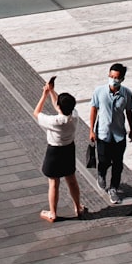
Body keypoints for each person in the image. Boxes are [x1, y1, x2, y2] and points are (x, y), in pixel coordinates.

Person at [34, 79, 86, 222]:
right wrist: (51, 91)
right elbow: (59, 104)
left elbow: (36, 112)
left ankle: (53, 213)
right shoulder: (74, 116)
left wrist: (45, 94)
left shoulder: (54, 121)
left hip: (54, 152)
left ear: (59, 107)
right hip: (69, 149)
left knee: (53, 183)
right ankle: (78, 207)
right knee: (72, 180)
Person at [89, 63, 132, 205]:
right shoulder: (99, 91)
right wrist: (91, 129)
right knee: (103, 160)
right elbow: (94, 109)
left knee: (118, 164)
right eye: (111, 76)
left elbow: (128, 112)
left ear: (122, 79)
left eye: (116, 77)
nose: (113, 80)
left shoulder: (126, 93)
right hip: (103, 134)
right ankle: (101, 174)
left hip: (119, 135)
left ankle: (114, 188)